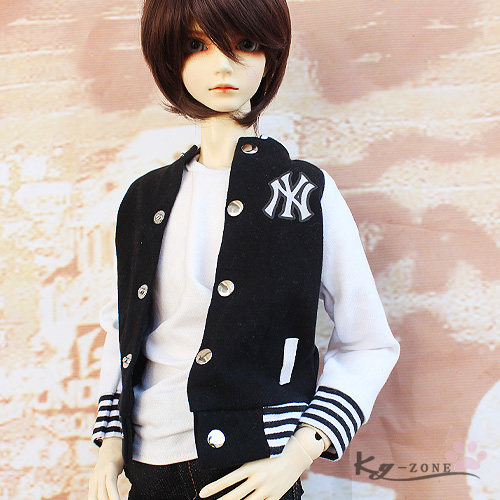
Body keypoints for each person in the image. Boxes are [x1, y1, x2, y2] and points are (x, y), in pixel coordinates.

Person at [88, 1, 401, 499]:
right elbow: (122, 328)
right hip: (146, 470)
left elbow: (369, 343)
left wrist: (297, 453)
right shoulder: (143, 199)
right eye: (196, 45)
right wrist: (110, 443)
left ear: (270, 56)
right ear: (169, 56)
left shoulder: (303, 193)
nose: (223, 65)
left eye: (245, 44)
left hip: (254, 471)